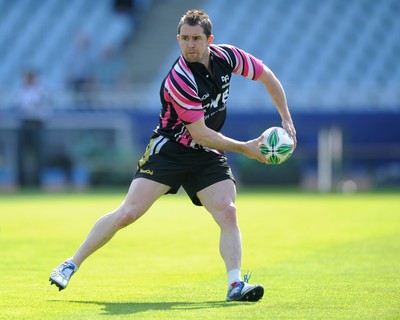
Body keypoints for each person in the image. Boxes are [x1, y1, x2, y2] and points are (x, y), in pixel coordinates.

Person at [50, 9, 297, 302]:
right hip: (170, 151)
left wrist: (286, 118)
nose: (190, 44)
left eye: (196, 38)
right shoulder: (179, 79)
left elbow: (266, 75)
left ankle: (235, 286)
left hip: (206, 153)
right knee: (128, 213)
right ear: (178, 39)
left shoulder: (228, 57)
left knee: (228, 211)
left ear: (210, 40)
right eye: (184, 38)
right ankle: (70, 264)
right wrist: (246, 148)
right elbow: (200, 134)